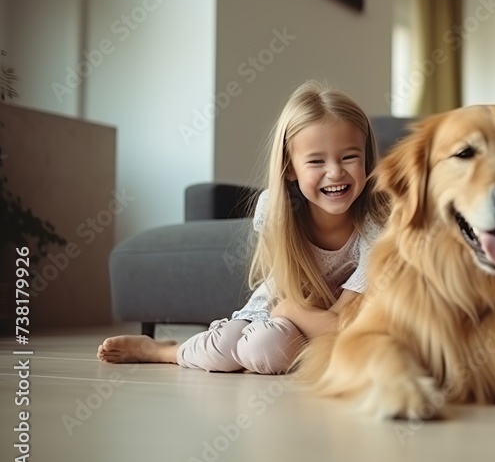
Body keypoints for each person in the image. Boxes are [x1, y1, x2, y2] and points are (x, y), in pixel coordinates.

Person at [97, 81, 388, 374]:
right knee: (224, 349)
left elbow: (343, 326)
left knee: (264, 350)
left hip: (310, 316)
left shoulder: (377, 226)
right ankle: (165, 351)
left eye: (349, 157)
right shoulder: (276, 209)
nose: (335, 172)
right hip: (275, 308)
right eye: (316, 161)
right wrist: (286, 312)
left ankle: (275, 353)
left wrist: (290, 311)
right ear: (289, 169)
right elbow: (278, 295)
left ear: (367, 158)